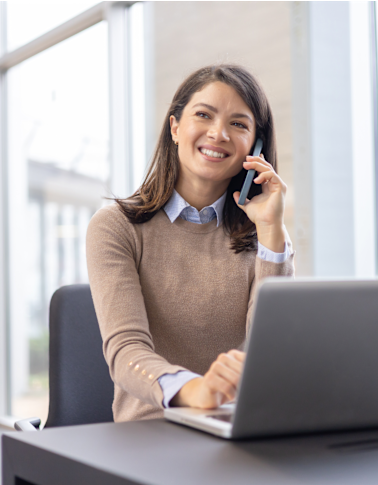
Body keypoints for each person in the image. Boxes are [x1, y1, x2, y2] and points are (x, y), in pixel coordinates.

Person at [86, 64, 295, 423]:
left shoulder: (263, 231)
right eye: (204, 115)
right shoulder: (116, 227)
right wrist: (195, 390)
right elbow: (126, 351)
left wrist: (272, 230)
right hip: (152, 427)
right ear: (175, 128)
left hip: (239, 423)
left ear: (255, 147)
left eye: (239, 124)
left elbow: (273, 348)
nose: (219, 134)